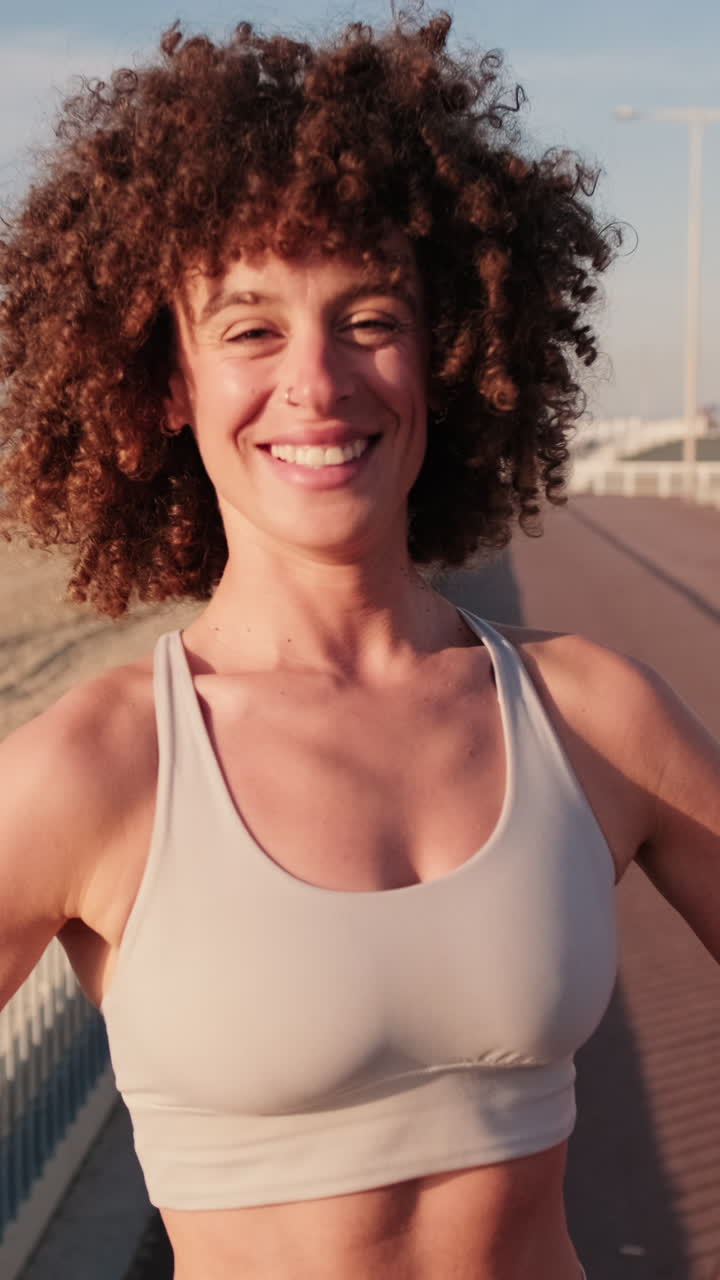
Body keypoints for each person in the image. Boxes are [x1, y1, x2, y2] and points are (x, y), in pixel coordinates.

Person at [0, 14, 718, 1280]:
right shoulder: (97, 769)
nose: (320, 383)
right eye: (251, 329)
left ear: (449, 355)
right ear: (167, 382)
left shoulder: (595, 714)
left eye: (370, 317)